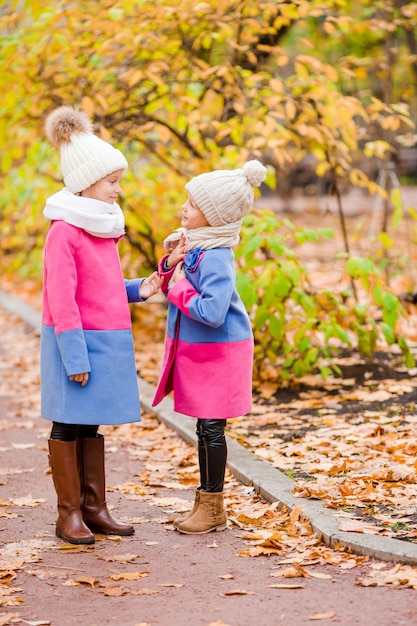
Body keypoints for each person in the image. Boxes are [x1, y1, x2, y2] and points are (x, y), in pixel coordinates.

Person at [41, 105, 162, 545]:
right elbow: (63, 298)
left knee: (90, 424)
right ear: (87, 183)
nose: (118, 190)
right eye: (112, 182)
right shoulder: (65, 231)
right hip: (73, 342)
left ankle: (95, 508)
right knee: (67, 422)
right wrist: (74, 354)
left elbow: (102, 286)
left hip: (105, 338)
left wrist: (138, 288)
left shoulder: (101, 228)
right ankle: (68, 513)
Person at [152, 159, 267, 534]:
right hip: (204, 352)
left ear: (214, 217)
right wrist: (173, 265)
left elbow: (212, 311)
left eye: (193, 205)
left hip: (222, 352)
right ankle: (206, 504)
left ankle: (213, 505)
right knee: (205, 427)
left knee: (212, 429)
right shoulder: (200, 246)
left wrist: (178, 288)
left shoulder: (217, 255)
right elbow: (181, 274)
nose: (183, 208)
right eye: (186, 200)